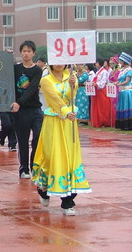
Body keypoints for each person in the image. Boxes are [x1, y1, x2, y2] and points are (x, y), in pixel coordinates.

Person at [32, 64, 92, 216]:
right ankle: (43, 190)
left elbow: (72, 97)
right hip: (53, 123)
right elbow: (55, 100)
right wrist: (66, 112)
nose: (59, 64)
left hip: (69, 124)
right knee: (52, 156)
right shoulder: (46, 80)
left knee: (71, 158)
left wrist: (74, 85)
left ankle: (68, 202)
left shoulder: (71, 78)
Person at [10, 41, 43, 179]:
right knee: (22, 141)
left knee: (37, 138)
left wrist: (19, 102)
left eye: (29, 51)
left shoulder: (37, 70)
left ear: (33, 53)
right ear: (20, 53)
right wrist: (7, 57)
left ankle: (34, 165)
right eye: (24, 51)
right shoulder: (15, 69)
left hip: (35, 110)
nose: (26, 53)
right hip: (20, 112)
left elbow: (31, 89)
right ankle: (24, 168)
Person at [90, 58, 114, 128]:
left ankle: (104, 121)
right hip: (97, 91)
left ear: (100, 63)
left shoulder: (104, 72)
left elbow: (103, 82)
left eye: (97, 63)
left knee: (103, 107)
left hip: (102, 91)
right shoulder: (98, 72)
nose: (96, 64)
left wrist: (96, 84)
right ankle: (98, 121)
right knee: (98, 106)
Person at [115, 52, 132, 130]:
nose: (119, 62)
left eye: (121, 60)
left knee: (126, 107)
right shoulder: (122, 70)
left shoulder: (129, 70)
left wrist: (119, 84)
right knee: (122, 107)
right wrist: (116, 83)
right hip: (121, 91)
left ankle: (127, 125)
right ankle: (122, 125)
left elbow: (126, 81)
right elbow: (120, 80)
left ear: (124, 61)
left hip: (126, 91)